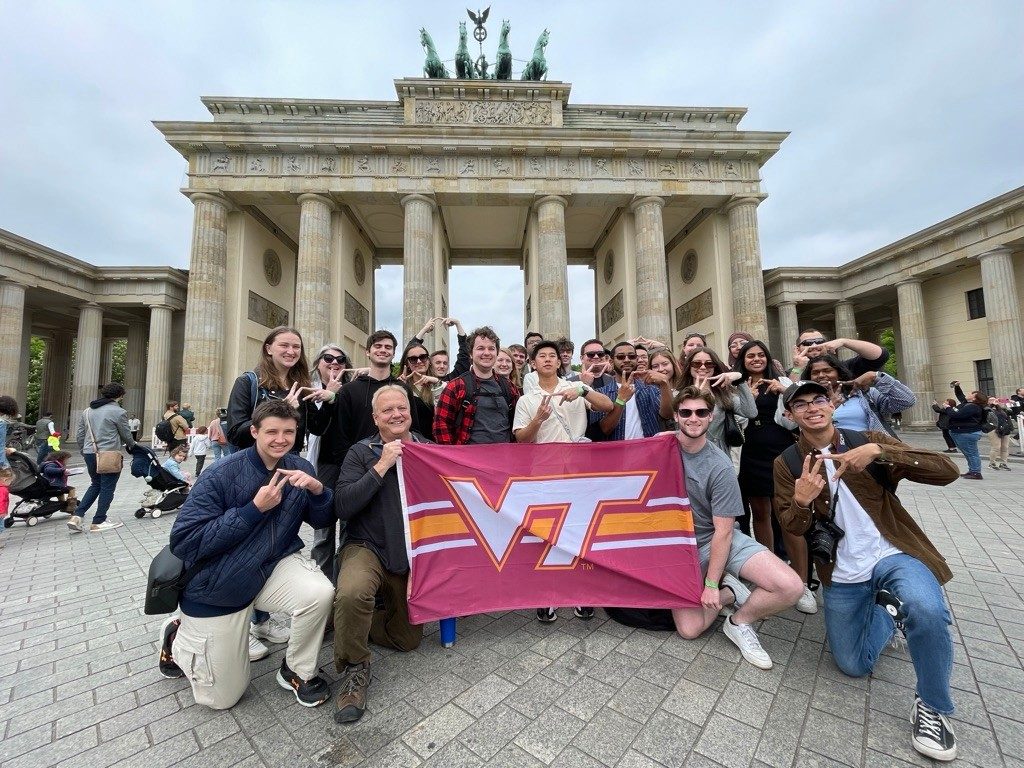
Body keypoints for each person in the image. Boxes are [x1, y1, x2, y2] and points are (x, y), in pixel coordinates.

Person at [774, 380, 960, 761]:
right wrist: (803, 501)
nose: (812, 408)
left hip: (893, 552)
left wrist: (881, 451)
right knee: (852, 664)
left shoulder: (868, 438)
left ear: (832, 403)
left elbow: (947, 471)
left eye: (819, 399)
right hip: (841, 570)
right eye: (801, 404)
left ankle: (932, 707)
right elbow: (792, 526)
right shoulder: (787, 463)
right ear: (790, 415)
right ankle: (888, 615)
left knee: (927, 611)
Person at [159, 400, 335, 710]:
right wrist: (253, 510)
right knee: (222, 699)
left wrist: (319, 491)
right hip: (219, 584)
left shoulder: (301, 467)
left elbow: (320, 521)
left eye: (289, 432)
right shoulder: (222, 473)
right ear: (254, 431)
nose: (281, 439)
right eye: (272, 432)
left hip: (271, 566)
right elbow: (185, 541)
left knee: (320, 592)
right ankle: (177, 635)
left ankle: (296, 670)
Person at [670, 387, 803, 668]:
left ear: (711, 416)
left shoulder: (720, 467)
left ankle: (739, 621)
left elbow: (725, 532)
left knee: (790, 587)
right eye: (686, 412)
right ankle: (730, 590)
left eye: (701, 412)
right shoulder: (661, 447)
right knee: (689, 629)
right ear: (676, 416)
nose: (693, 418)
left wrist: (708, 585)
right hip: (676, 546)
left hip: (716, 538)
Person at [333, 385, 429, 723]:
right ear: (376, 418)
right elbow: (343, 504)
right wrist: (382, 465)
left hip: (409, 550)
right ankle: (355, 667)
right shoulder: (361, 452)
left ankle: (349, 622)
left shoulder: (428, 448)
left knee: (408, 640)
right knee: (352, 592)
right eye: (387, 411)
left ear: (410, 411)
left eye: (401, 407)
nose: (396, 415)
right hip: (368, 545)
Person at [514, 341, 614, 623]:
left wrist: (583, 389)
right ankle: (549, 594)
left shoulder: (574, 388)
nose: (547, 360)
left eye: (552, 356)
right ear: (533, 364)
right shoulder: (527, 399)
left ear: (560, 362)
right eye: (541, 356)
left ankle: (583, 592)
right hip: (545, 473)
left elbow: (608, 406)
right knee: (548, 533)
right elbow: (522, 438)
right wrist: (537, 420)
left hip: (580, 471)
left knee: (581, 530)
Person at [732, 340, 819, 613]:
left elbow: (795, 419)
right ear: (742, 361)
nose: (755, 359)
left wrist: (787, 390)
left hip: (782, 453)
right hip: (750, 454)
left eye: (760, 355)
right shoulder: (735, 385)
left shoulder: (781, 381)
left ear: (767, 358)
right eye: (750, 356)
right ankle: (768, 574)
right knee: (760, 514)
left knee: (789, 517)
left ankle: (802, 583)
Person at [332, 330, 434, 464]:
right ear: (368, 351)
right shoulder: (349, 390)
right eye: (378, 346)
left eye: (388, 347)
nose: (383, 350)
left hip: (399, 462)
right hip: (362, 463)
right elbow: (341, 436)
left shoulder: (403, 389)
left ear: (393, 354)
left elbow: (413, 428)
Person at [226, 326, 329, 454]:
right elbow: (235, 434)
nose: (291, 352)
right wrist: (281, 409)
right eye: (284, 345)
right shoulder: (246, 382)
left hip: (291, 463)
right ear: (268, 349)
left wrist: (330, 400)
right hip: (255, 463)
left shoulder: (300, 386)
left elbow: (317, 428)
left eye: (296, 347)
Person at [304, 343, 351, 583]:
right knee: (323, 529)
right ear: (318, 364)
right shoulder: (308, 392)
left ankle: (344, 584)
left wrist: (338, 394)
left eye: (340, 360)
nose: (335, 363)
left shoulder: (353, 389)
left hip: (351, 465)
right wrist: (330, 395)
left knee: (348, 528)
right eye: (328, 358)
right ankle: (322, 584)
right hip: (323, 465)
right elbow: (317, 427)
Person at [434, 327, 521, 445]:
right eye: (480, 348)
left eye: (491, 348)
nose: (486, 353)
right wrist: (452, 458)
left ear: (496, 352)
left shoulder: (509, 387)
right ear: (470, 353)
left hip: (504, 459)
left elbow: (519, 425)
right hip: (467, 460)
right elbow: (441, 426)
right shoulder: (456, 386)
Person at [68, 383, 135, 533]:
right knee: (107, 488)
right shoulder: (119, 412)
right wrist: (133, 446)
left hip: (89, 452)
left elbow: (80, 434)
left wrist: (84, 451)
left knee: (95, 484)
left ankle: (77, 516)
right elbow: (126, 434)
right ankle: (99, 521)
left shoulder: (87, 411)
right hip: (109, 454)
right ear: (119, 395)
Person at [803, 354, 916, 436]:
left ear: (839, 374)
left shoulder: (864, 394)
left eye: (827, 371)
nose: (821, 375)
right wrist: (829, 407)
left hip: (871, 452)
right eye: (815, 373)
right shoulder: (802, 401)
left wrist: (876, 376)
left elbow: (907, 401)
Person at [678, 347, 757, 454]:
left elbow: (751, 412)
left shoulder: (723, 394)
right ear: (689, 366)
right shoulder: (678, 395)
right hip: (687, 455)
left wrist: (740, 379)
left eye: (709, 364)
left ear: (715, 367)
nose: (702, 367)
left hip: (718, 455)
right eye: (697, 363)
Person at [591, 342, 674, 440]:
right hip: (616, 453)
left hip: (648, 452)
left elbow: (668, 415)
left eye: (631, 356)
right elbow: (603, 430)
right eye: (621, 357)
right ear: (611, 362)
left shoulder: (651, 389)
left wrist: (665, 383)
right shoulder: (601, 393)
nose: (627, 360)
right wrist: (621, 400)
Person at [789, 329, 888, 381]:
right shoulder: (791, 373)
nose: (814, 345)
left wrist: (844, 341)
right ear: (797, 349)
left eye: (819, 341)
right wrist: (797, 368)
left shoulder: (843, 368)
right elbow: (788, 395)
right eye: (808, 343)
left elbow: (880, 356)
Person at [943, 381, 986, 479]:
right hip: (964, 432)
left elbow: (956, 415)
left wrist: (948, 408)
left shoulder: (972, 407)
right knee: (969, 453)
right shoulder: (968, 404)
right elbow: (961, 396)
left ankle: (976, 472)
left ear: (974, 398)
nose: (968, 394)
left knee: (971, 453)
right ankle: (972, 471)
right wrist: (957, 387)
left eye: (971, 394)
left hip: (967, 433)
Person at [985, 398, 1013, 471]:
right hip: (994, 429)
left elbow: (1011, 413)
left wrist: (1008, 404)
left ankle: (1003, 463)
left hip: (1005, 429)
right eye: (991, 399)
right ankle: (992, 463)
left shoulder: (1002, 409)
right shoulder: (986, 408)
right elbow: (985, 414)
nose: (994, 400)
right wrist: (992, 405)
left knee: (1005, 447)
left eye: (995, 399)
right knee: (996, 447)